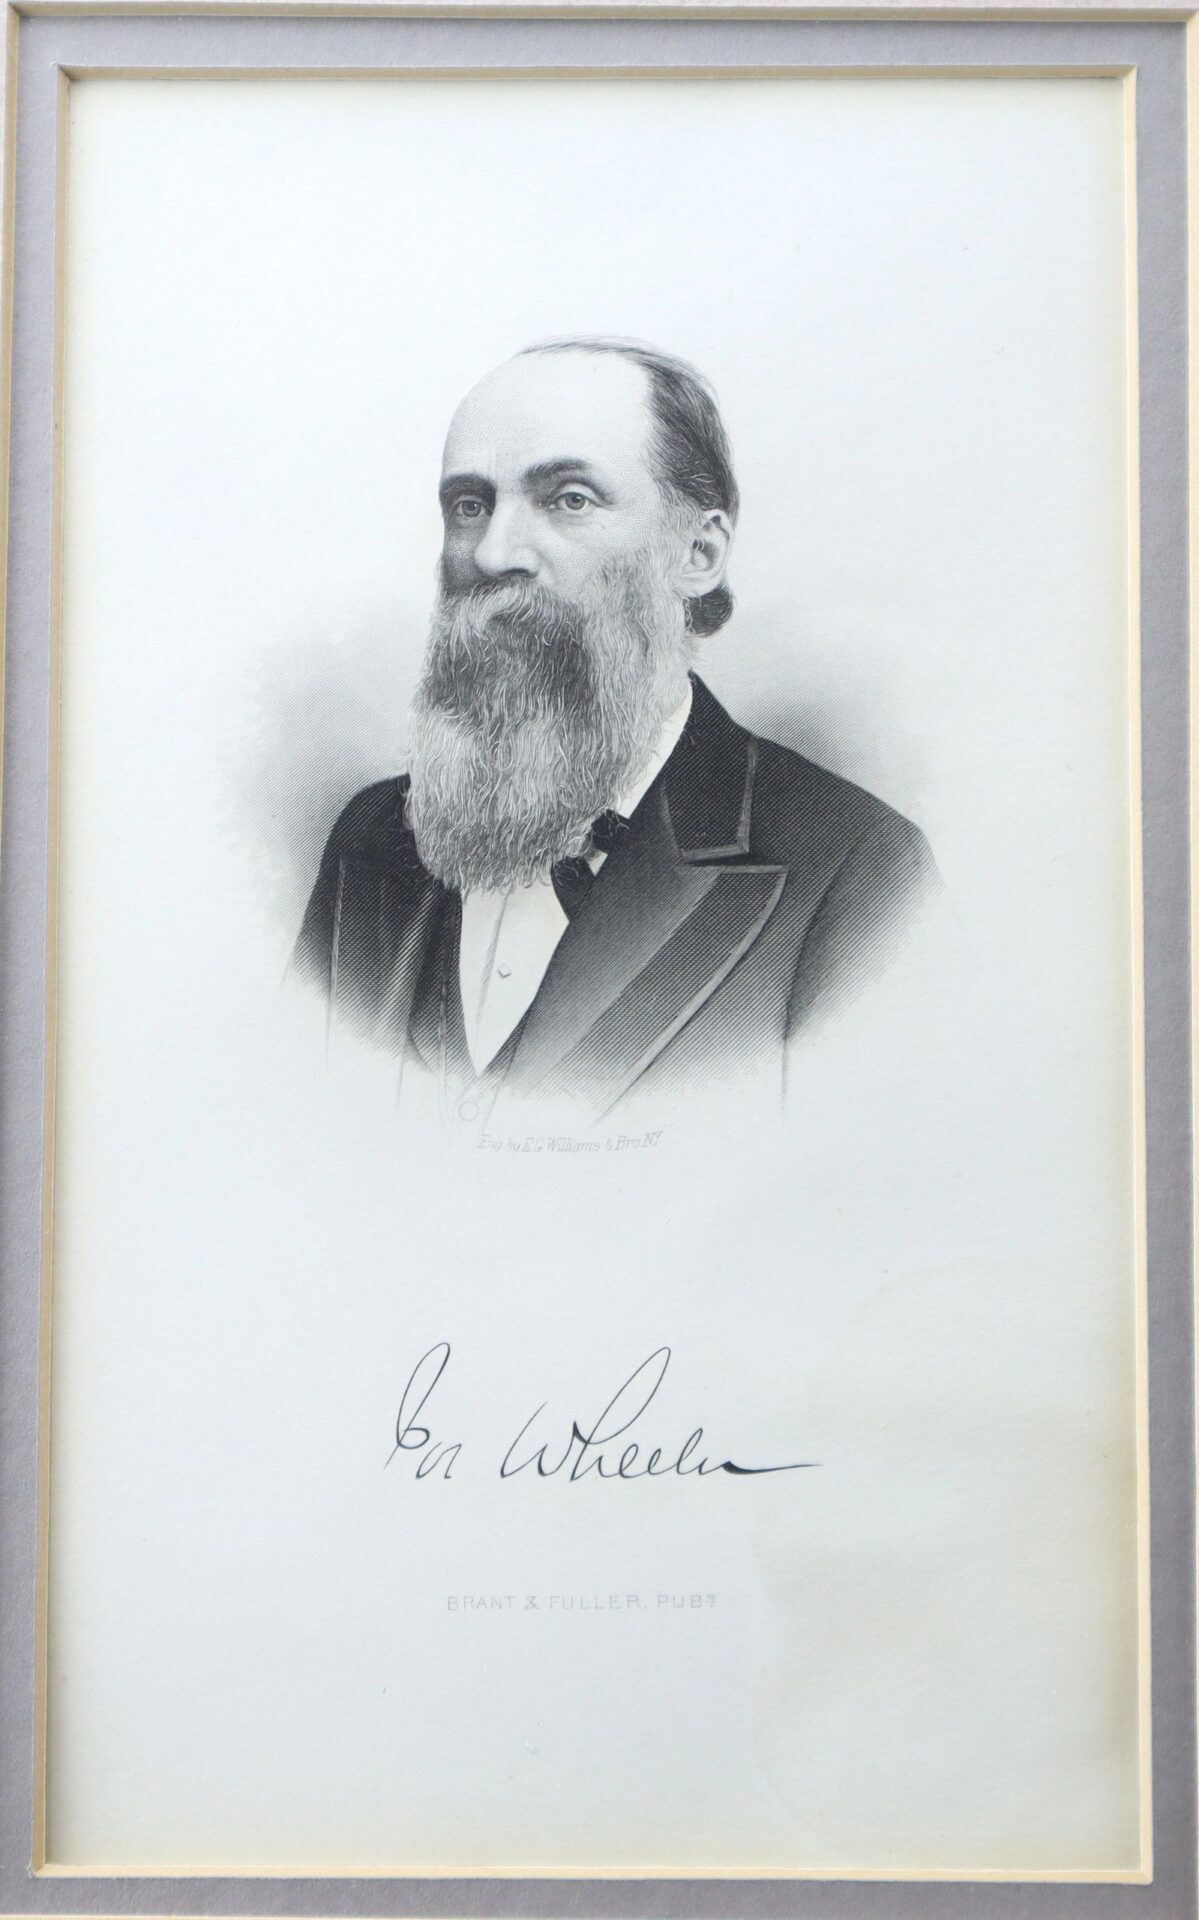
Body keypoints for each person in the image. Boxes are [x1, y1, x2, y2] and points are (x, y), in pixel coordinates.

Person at [293, 337, 939, 1130]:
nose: (492, 553)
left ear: (697, 553)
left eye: (568, 499)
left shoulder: (859, 871)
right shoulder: (370, 840)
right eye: (469, 505)